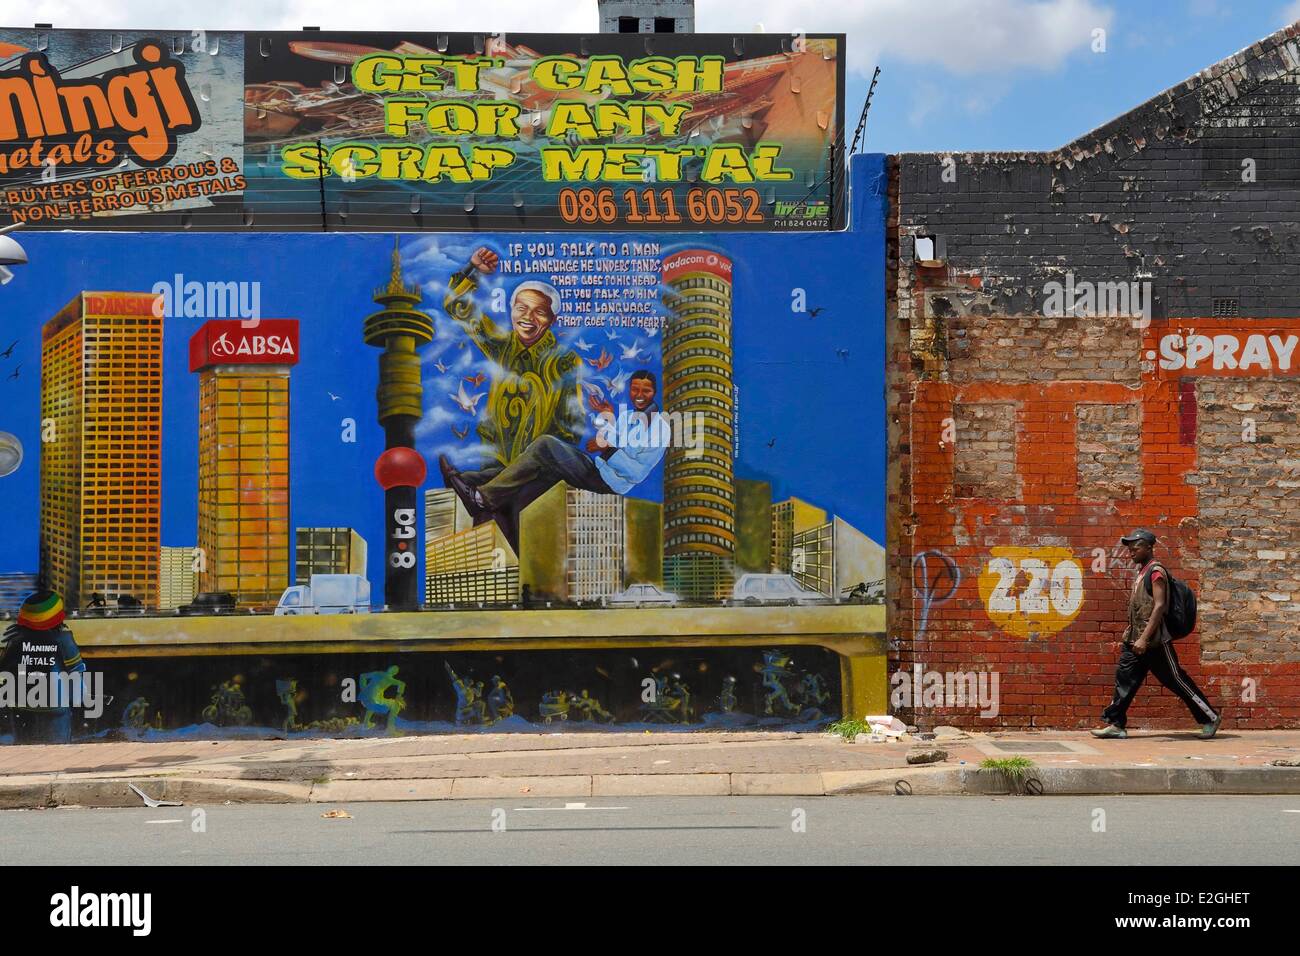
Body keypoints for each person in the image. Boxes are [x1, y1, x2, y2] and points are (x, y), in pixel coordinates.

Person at [440, 369, 670, 549]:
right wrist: (607, 416)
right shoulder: (628, 416)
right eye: (635, 389)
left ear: (654, 392)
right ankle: (468, 480)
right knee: (530, 475)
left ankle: (480, 497)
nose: (639, 395)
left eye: (646, 391)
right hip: (598, 468)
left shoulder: (661, 428)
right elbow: (611, 440)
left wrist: (608, 449)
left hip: (609, 482)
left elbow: (637, 473)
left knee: (545, 445)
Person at [442, 246, 584, 476]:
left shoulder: (564, 360)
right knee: (475, 490)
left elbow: (571, 420)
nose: (528, 317)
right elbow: (456, 307)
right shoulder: (501, 344)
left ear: (551, 319)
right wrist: (473, 270)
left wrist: (552, 460)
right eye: (521, 308)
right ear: (511, 311)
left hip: (537, 466)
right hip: (495, 457)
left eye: (539, 311)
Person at [1092, 529, 1221, 740]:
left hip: (1154, 642)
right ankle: (1116, 724)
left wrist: (1144, 638)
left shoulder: (1156, 572)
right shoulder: (1142, 571)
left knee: (1177, 680)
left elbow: (1160, 606)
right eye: (1130, 547)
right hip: (1134, 640)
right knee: (1125, 679)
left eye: (1137, 546)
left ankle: (1210, 717)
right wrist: (1135, 637)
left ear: (1149, 547)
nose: (1131, 550)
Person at [0, 590, 86, 744]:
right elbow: (76, 673)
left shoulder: (15, 640)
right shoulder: (63, 639)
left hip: (22, 704)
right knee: (58, 750)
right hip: (55, 704)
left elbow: (5, 672)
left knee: (24, 749)